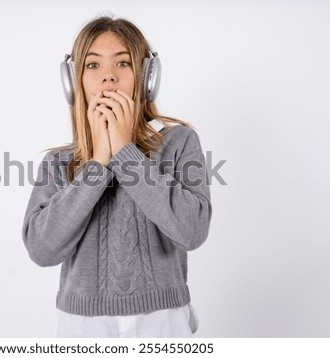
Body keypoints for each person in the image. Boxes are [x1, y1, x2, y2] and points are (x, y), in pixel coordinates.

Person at [22, 15, 212, 338]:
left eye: (122, 63)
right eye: (93, 66)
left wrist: (126, 152)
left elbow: (192, 231)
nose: (108, 78)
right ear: (74, 82)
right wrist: (97, 163)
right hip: (83, 329)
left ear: (147, 77)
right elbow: (42, 250)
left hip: (162, 323)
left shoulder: (180, 143)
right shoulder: (58, 163)